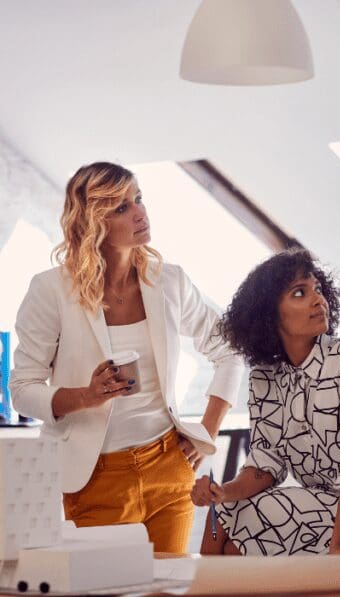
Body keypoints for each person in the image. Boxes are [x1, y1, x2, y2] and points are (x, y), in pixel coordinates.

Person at [10, 162, 244, 553]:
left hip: (169, 466)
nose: (139, 212)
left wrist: (205, 434)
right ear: (91, 223)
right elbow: (22, 389)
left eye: (138, 199)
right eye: (121, 207)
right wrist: (87, 395)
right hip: (94, 476)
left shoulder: (169, 280)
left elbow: (229, 351)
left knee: (168, 589)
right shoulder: (50, 290)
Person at [190, 249, 340, 556]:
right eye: (299, 293)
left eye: (318, 289)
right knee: (228, 511)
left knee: (237, 527)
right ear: (269, 314)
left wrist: (338, 545)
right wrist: (221, 493)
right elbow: (265, 463)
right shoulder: (264, 378)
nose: (318, 300)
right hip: (324, 507)